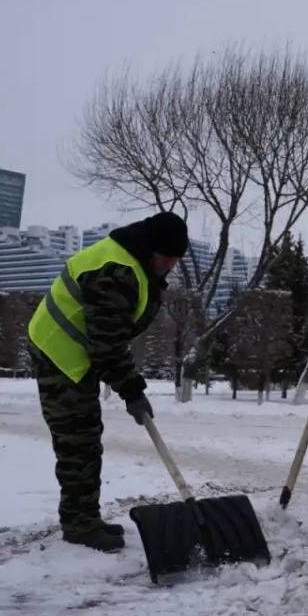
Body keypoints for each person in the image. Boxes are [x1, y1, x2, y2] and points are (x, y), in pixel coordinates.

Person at [27, 212, 188, 552]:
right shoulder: (116, 273)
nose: (170, 266)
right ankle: (80, 525)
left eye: (177, 259)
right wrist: (131, 390)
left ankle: (83, 517)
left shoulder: (134, 262)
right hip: (59, 349)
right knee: (78, 439)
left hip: (75, 350)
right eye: (166, 257)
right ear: (151, 248)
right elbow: (107, 343)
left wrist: (130, 386)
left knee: (84, 437)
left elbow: (109, 340)